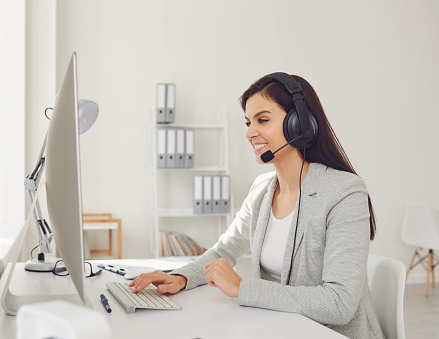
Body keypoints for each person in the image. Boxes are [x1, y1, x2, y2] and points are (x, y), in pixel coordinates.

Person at [130, 73, 384, 339]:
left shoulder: (344, 191)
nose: (251, 132)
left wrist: (241, 287)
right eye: (248, 122)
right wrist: (180, 278)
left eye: (263, 120)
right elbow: (225, 250)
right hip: (280, 329)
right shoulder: (262, 189)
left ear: (300, 125)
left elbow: (340, 303)